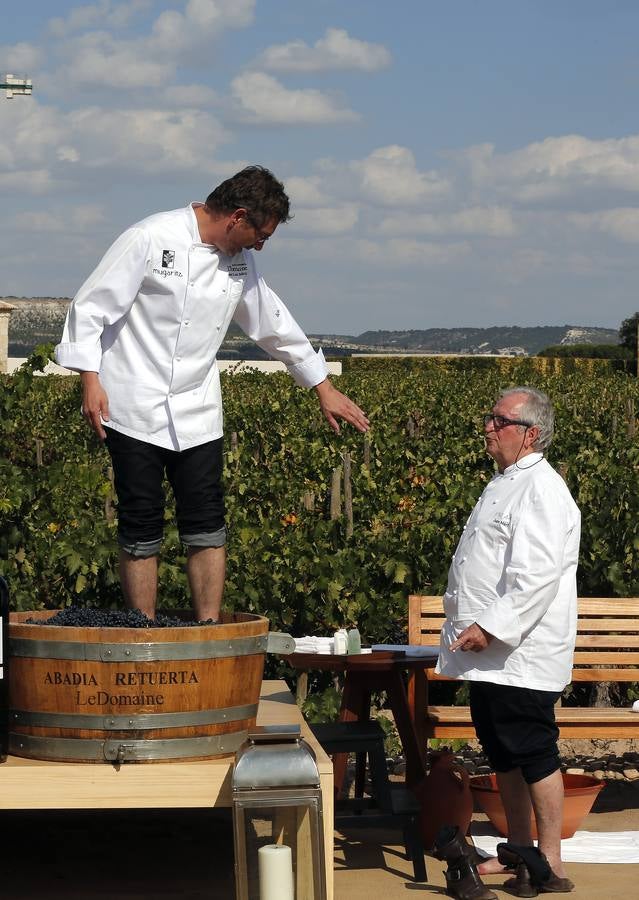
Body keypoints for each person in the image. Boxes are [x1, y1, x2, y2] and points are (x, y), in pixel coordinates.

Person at [55, 166, 369, 622]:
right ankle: (143, 632)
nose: (260, 245)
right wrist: (89, 379)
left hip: (198, 409)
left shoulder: (240, 261)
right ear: (237, 217)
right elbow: (90, 307)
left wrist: (321, 385)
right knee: (141, 524)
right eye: (259, 235)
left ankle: (207, 630)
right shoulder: (149, 236)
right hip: (132, 403)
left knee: (207, 524)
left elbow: (272, 322)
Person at [434, 387, 581, 898]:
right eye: (490, 418)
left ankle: (552, 864)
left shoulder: (541, 488)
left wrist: (491, 626)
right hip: (489, 657)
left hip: (519, 653)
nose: (488, 429)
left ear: (530, 433)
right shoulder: (506, 483)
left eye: (499, 421)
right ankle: (520, 850)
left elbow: (536, 575)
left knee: (534, 751)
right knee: (502, 753)